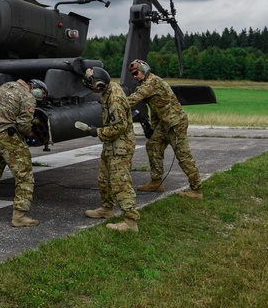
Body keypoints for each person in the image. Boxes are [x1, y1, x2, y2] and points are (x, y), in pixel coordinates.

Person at [0, 78, 48, 227]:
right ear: (37, 89)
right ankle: (19, 216)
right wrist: (31, 134)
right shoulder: (28, 97)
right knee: (25, 175)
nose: (38, 98)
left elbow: (7, 110)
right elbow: (23, 126)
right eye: (40, 95)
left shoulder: (6, 86)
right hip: (8, 137)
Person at [127, 59, 203, 199]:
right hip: (165, 123)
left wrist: (117, 102)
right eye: (132, 74)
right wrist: (154, 126)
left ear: (144, 70)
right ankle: (156, 182)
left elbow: (134, 99)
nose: (134, 76)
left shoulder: (152, 82)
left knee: (183, 156)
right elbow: (155, 108)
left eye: (136, 73)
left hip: (176, 123)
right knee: (153, 146)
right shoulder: (149, 83)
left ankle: (196, 190)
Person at [75, 67, 140, 232]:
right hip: (111, 144)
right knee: (104, 179)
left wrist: (95, 131)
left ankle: (130, 222)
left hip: (121, 146)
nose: (91, 90)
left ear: (99, 85)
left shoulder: (115, 100)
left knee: (121, 182)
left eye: (92, 86)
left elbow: (119, 127)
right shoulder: (108, 90)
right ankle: (107, 209)